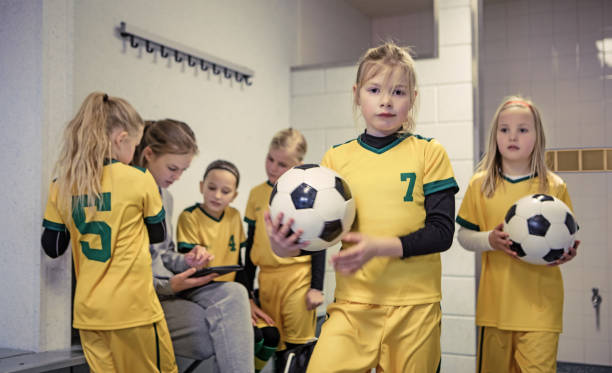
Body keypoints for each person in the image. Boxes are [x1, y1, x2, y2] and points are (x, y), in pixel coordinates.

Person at [266, 42, 458, 372]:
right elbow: (319, 238)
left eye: (398, 91)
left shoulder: (429, 152)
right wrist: (282, 247)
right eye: (374, 89)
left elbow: (442, 233)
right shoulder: (335, 160)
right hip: (352, 307)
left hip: (414, 308)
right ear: (357, 94)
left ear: (412, 97)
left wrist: (381, 247)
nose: (386, 100)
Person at [41, 92, 177, 372]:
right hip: (133, 311)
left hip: (89, 315)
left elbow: (53, 247)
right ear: (121, 139)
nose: (134, 154)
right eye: (135, 145)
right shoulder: (140, 179)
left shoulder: (62, 184)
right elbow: (158, 235)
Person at [455, 96, 579, 373]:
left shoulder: (554, 186)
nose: (513, 136)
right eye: (504, 129)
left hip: (541, 310)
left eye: (523, 129)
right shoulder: (481, 184)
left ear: (537, 136)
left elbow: (566, 239)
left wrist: (567, 252)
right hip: (495, 309)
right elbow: (463, 236)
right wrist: (490, 240)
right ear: (495, 136)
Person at [132, 119, 253, 373]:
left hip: (171, 284)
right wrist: (168, 286)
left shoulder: (166, 197)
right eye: (172, 168)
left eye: (183, 171)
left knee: (235, 293)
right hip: (151, 292)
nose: (177, 177)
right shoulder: (129, 197)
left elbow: (162, 254)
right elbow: (129, 269)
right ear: (148, 154)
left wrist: (186, 261)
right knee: (209, 330)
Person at [176, 159, 281, 372]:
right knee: (255, 337)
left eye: (225, 191)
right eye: (211, 188)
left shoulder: (233, 217)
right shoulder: (189, 217)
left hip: (234, 293)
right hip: (203, 291)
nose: (217, 195)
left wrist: (249, 301)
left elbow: (238, 263)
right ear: (201, 186)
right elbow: (184, 264)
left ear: (234, 195)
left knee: (272, 336)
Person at [243, 128, 325, 372]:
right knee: (274, 345)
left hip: (298, 280)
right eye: (270, 159)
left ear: (297, 165)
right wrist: (247, 291)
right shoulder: (256, 194)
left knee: (296, 348)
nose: (272, 167)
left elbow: (318, 245)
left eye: (282, 163)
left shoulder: (306, 195)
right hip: (267, 281)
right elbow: (249, 246)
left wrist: (316, 288)